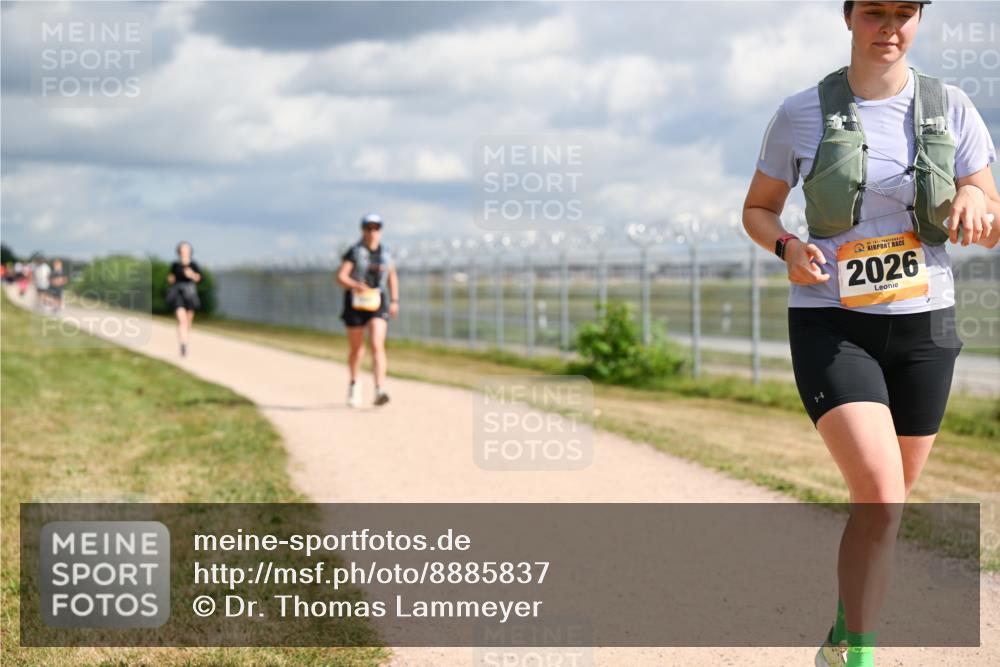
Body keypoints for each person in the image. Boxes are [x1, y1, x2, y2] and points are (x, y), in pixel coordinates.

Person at [742, 2, 998, 666]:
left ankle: (841, 636)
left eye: (904, 13)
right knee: (881, 495)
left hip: (925, 329)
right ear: (850, 17)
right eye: (875, 11)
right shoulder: (801, 113)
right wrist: (787, 247)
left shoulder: (954, 108)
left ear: (919, 20)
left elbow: (988, 208)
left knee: (883, 510)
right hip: (832, 322)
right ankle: (859, 657)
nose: (890, 26)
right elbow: (759, 208)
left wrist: (977, 202)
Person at [336, 213, 399, 407]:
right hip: (356, 303)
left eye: (376, 228)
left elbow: (392, 275)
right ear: (363, 230)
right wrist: (355, 284)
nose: (372, 232)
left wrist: (395, 300)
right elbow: (341, 277)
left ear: (380, 230)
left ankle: (380, 389)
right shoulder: (355, 252)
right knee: (357, 349)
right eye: (368, 228)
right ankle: (354, 385)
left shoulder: (386, 252)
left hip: (377, 302)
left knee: (377, 344)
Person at [165, 242, 202, 357]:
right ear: (179, 251)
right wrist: (170, 279)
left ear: (190, 251)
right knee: (182, 320)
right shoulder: (175, 265)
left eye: (186, 249)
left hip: (190, 294)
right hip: (178, 294)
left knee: (188, 322)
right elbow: (171, 279)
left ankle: (185, 340)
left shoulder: (194, 265)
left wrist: (191, 274)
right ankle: (183, 345)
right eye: (182, 249)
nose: (184, 251)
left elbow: (199, 278)